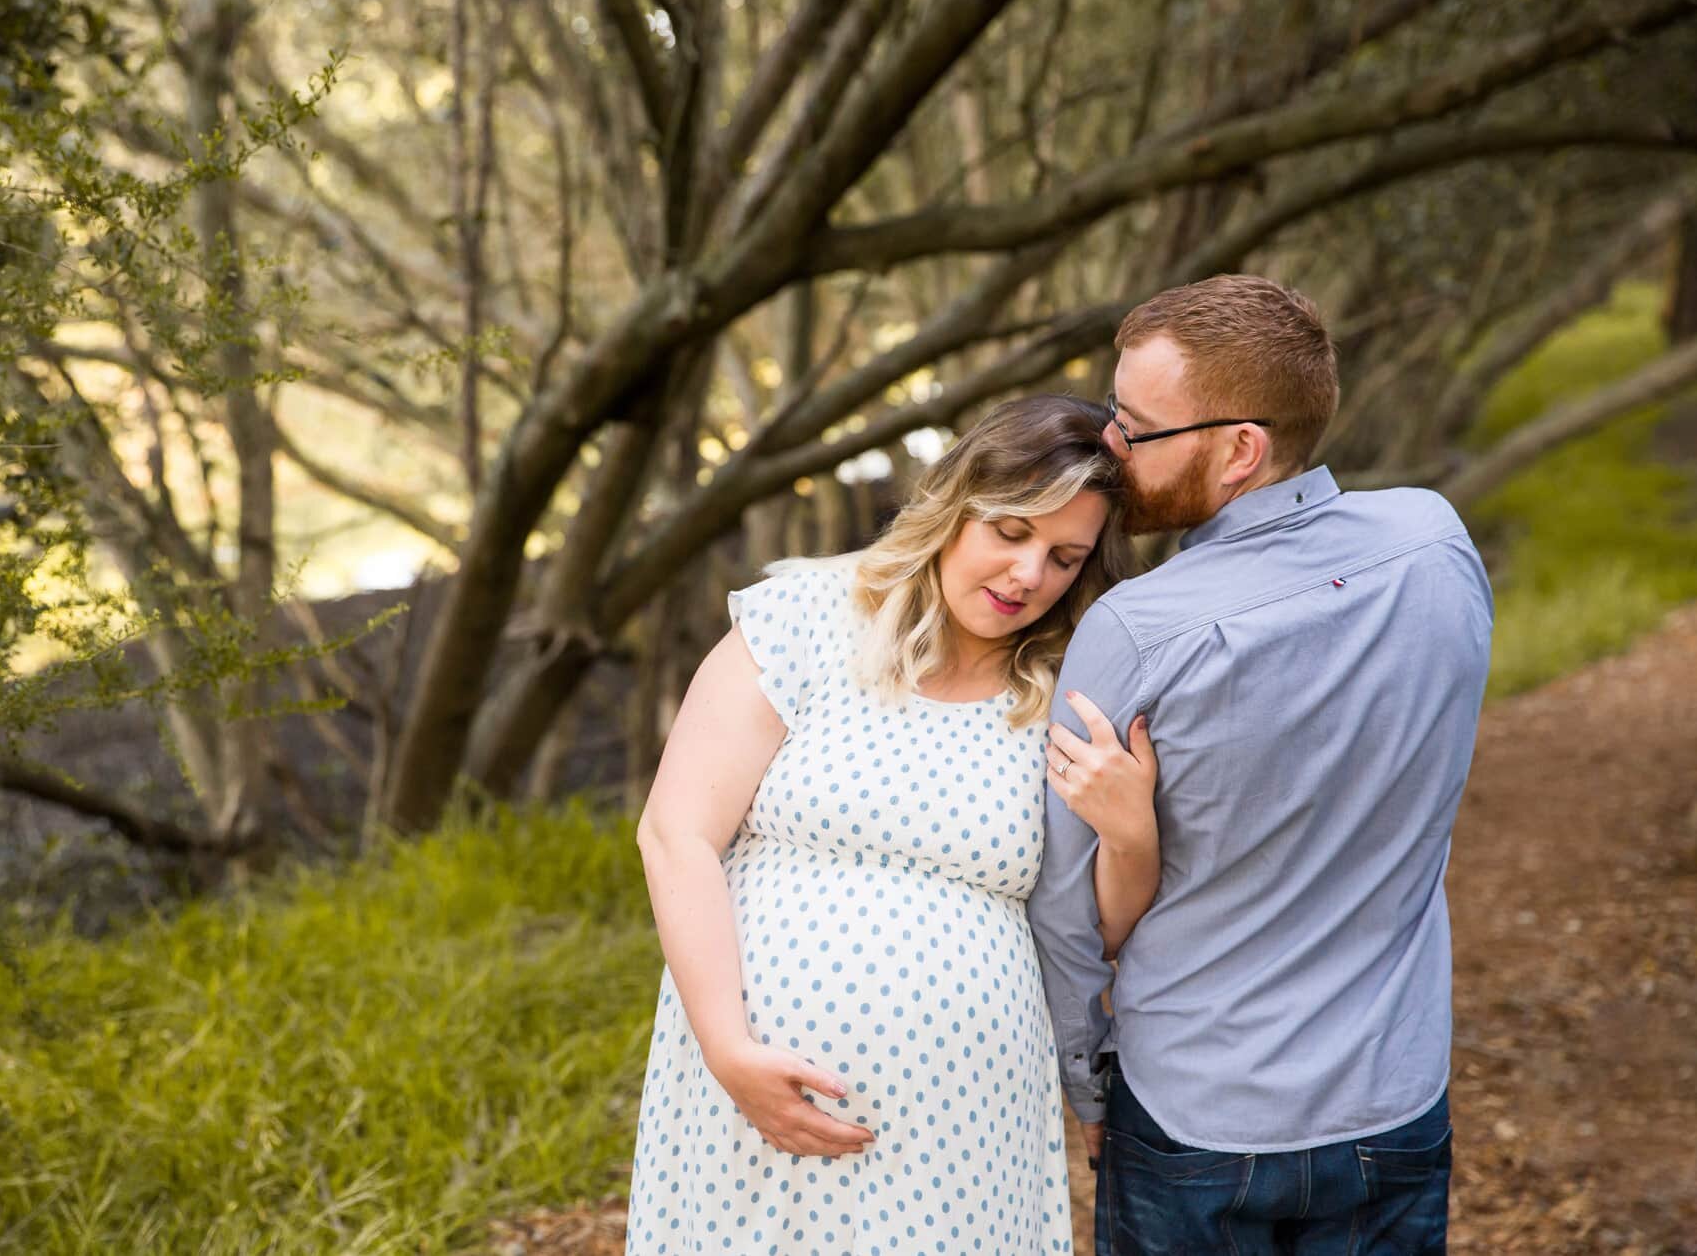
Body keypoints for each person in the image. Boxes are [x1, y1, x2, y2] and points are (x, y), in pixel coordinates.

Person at [1029, 275, 1494, 1254]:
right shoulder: (1437, 542)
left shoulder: (1135, 628)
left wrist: (1087, 1081)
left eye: (1137, 427)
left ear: (1241, 448)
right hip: (1393, 1095)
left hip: (1194, 1114)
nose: (1110, 445)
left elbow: (1065, 910)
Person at [626, 394, 1154, 1256]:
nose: (1029, 577)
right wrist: (728, 1049)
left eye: (1065, 557)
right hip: (752, 1078)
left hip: (964, 1124)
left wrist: (1133, 833)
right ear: (955, 506)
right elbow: (675, 833)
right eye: (1011, 533)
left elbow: (1091, 926)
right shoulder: (805, 618)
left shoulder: (1069, 687)